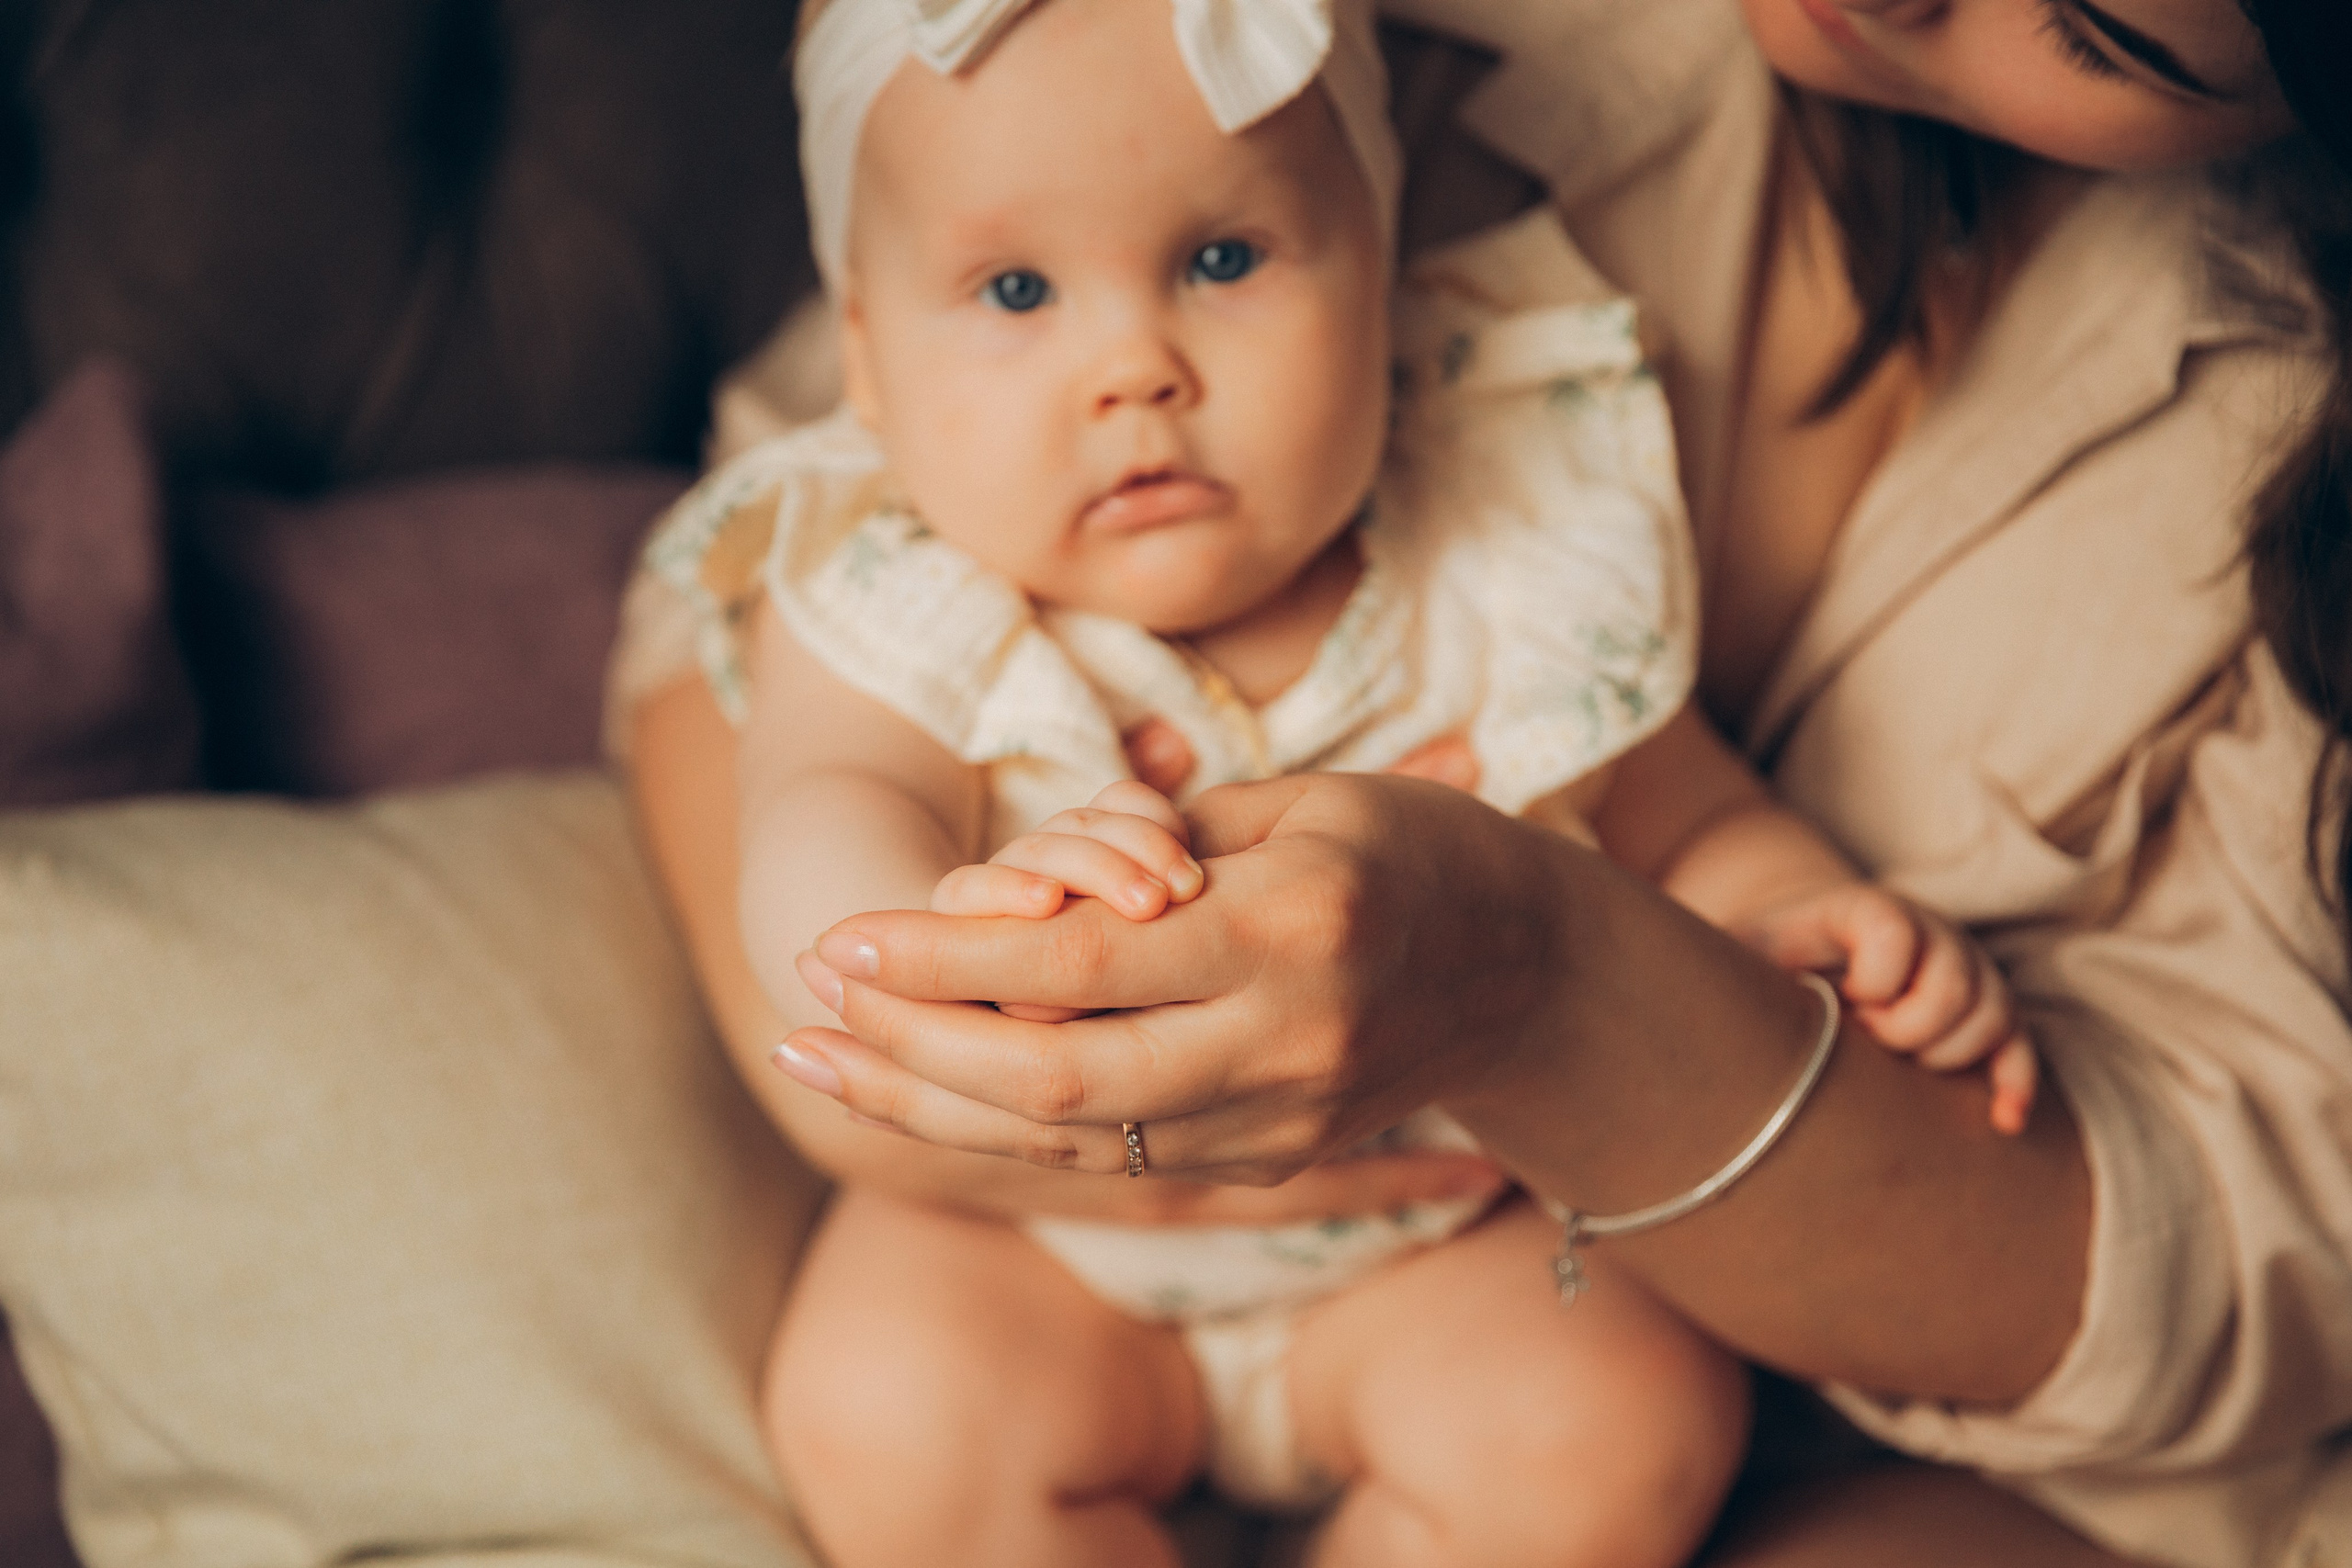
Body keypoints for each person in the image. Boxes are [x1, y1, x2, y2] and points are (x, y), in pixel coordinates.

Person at [645, 0, 2352, 1562]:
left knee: (1613, 1420)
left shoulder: (1510, 531)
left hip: (1449, 1231)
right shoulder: (890, 575)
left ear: (1387, 272)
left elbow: (1678, 810)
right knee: (886, 1406)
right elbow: (824, 805)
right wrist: (943, 941)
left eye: (1225, 259)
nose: (1136, 364)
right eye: (1019, 295)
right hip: (1037, 1253)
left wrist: (1799, 918)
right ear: (866, 361)